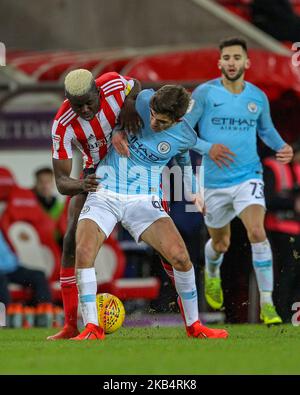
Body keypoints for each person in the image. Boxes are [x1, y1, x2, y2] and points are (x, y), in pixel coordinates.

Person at [72, 85, 229, 340]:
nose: (153, 122)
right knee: (84, 251)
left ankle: (194, 326)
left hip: (143, 200)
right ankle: (92, 327)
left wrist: (195, 193)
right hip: (106, 189)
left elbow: (183, 160)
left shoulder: (186, 136)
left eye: (162, 121)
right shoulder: (144, 100)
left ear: (178, 120)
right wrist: (117, 133)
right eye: (153, 116)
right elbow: (119, 106)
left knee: (180, 257)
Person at [184, 37, 294, 325]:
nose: (232, 62)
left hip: (249, 176)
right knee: (221, 244)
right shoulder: (205, 94)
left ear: (247, 63)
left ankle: (268, 305)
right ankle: (212, 271)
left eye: (237, 57)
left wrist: (282, 146)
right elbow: (183, 132)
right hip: (214, 182)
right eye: (227, 58)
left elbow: (266, 131)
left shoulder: (257, 97)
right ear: (220, 62)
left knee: (257, 232)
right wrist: (209, 148)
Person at [47, 68, 142, 340]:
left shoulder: (112, 83)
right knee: (70, 241)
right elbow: (62, 182)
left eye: (90, 102)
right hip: (96, 175)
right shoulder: (62, 124)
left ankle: (191, 322)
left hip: (135, 170)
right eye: (78, 106)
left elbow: (135, 85)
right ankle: (69, 325)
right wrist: (82, 185)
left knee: (168, 242)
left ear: (98, 91)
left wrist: (128, 110)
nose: (86, 109)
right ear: (67, 101)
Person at [263, 140, 300, 322]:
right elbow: (267, 199)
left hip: (296, 229)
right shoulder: (272, 166)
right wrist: (293, 203)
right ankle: (280, 313)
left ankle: (294, 316)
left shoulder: (297, 168)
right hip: (279, 229)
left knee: (295, 271)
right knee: (288, 270)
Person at [0, 229, 52, 306]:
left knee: (39, 275)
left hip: (12, 268)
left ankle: (42, 311)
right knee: (1, 279)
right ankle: (6, 314)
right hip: (1, 272)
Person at [33, 167, 65, 244]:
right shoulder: (29, 205)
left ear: (53, 183)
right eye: (41, 182)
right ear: (36, 183)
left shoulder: (60, 207)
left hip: (55, 247)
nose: (44, 186)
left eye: (47, 182)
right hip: (34, 246)